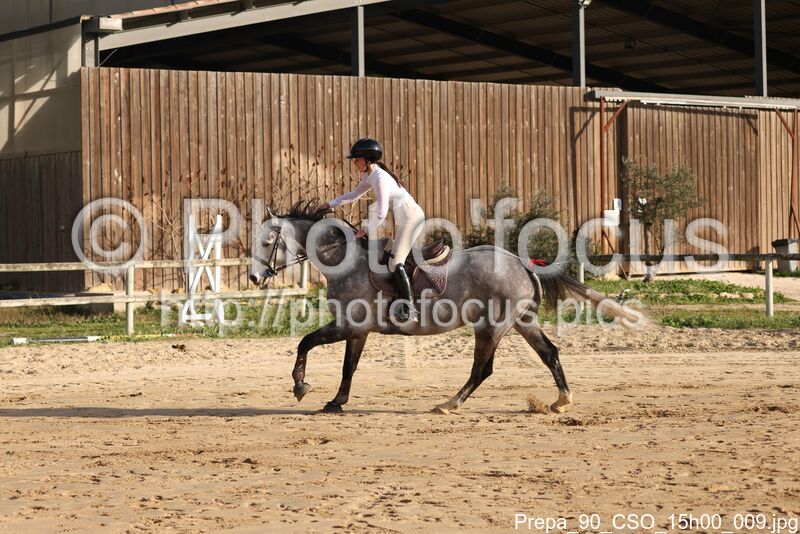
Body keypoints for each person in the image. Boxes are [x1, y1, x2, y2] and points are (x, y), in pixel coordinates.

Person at [320, 138, 425, 322]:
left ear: (367, 160)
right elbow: (354, 194)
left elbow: (382, 212)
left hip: (412, 219)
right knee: (390, 260)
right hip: (405, 220)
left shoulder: (380, 178)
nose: (354, 163)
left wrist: (365, 229)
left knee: (395, 263)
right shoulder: (371, 176)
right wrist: (329, 204)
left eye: (357, 159)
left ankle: (410, 309)